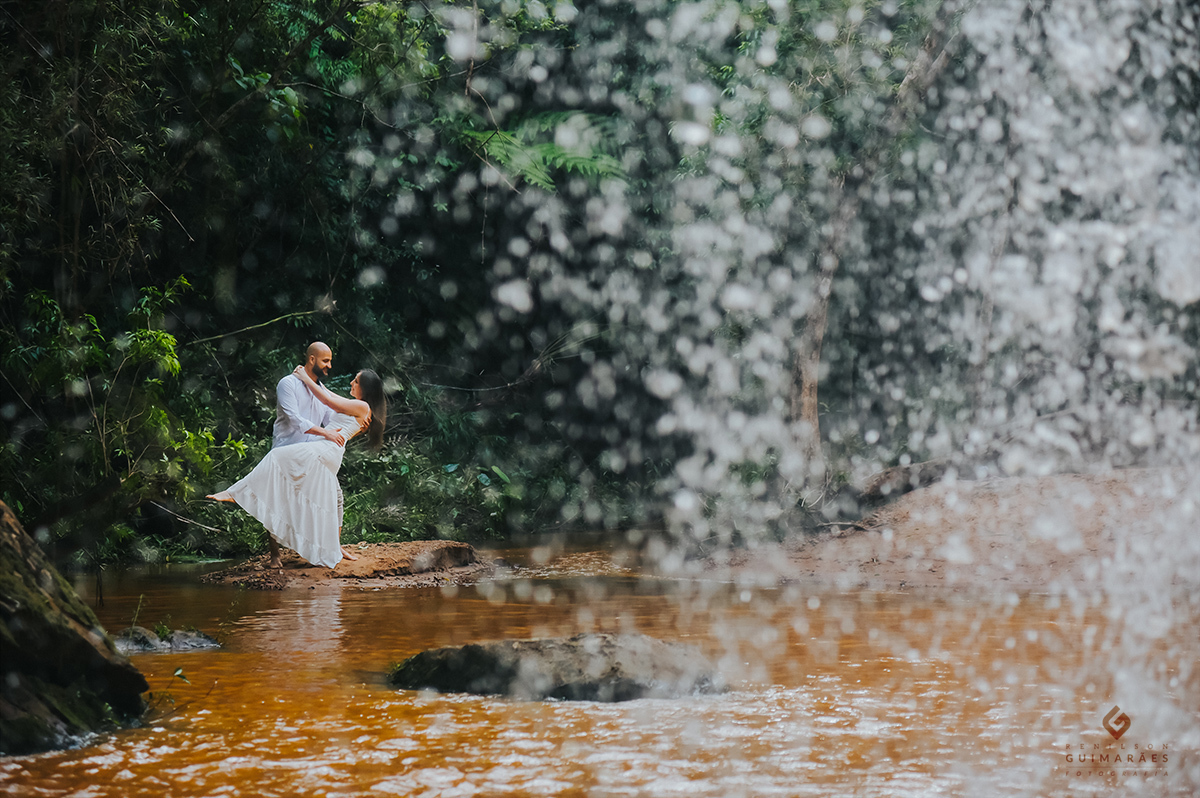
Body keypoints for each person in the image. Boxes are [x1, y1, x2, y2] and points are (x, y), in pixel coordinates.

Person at [208, 365, 387, 569]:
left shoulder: (362, 407)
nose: (351, 383)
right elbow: (328, 394)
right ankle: (333, 548)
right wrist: (312, 381)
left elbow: (328, 401)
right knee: (336, 498)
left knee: (276, 457)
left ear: (366, 389)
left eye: (356, 381)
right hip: (331, 452)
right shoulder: (359, 407)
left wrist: (304, 376)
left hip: (325, 449)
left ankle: (237, 492)